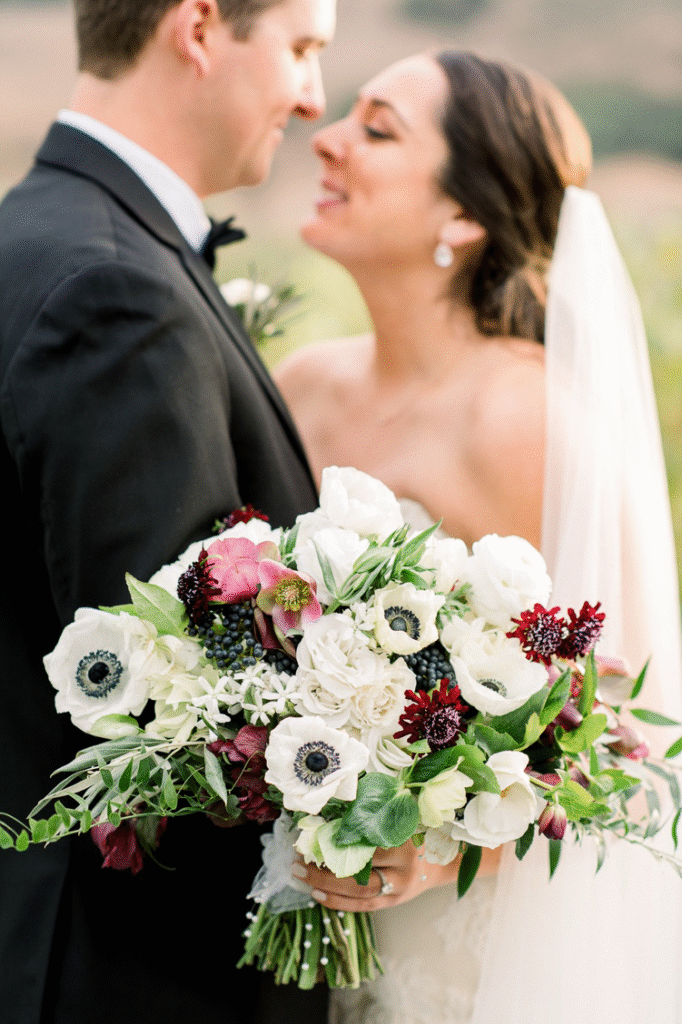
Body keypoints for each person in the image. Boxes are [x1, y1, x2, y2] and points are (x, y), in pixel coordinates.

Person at [275, 51, 682, 1023]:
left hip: (460, 951)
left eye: (377, 130)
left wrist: (444, 839)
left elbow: (624, 736)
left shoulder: (525, 418)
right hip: (294, 915)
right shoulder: (301, 386)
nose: (324, 136)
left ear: (462, 215)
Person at [0, 1, 335, 1021]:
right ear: (198, 28)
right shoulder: (117, 290)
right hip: (130, 974)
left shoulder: (33, 233)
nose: (314, 94)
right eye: (300, 47)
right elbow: (172, 716)